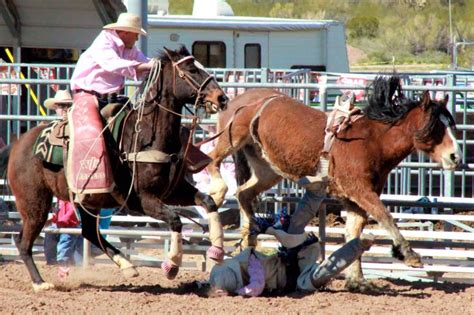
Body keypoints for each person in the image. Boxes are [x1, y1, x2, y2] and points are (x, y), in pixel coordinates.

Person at [68, 12, 155, 196]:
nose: (137, 37)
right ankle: (88, 181)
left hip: (111, 98)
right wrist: (147, 66)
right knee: (91, 134)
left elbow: (143, 61)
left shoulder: (127, 46)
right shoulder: (104, 42)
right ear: (124, 32)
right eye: (135, 33)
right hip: (87, 96)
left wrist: (154, 64)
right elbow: (114, 65)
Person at [209, 216, 374, 296]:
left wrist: (235, 293)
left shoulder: (250, 262)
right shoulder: (244, 261)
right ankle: (359, 244)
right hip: (294, 264)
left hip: (294, 275)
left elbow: (256, 286)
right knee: (325, 270)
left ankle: (359, 244)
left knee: (324, 272)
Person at [43, 200, 81, 279]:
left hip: (69, 225)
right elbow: (58, 212)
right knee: (54, 246)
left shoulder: (70, 199)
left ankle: (63, 268)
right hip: (60, 224)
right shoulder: (60, 199)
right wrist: (53, 219)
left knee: (64, 247)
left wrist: (60, 220)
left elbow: (72, 211)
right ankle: (57, 266)